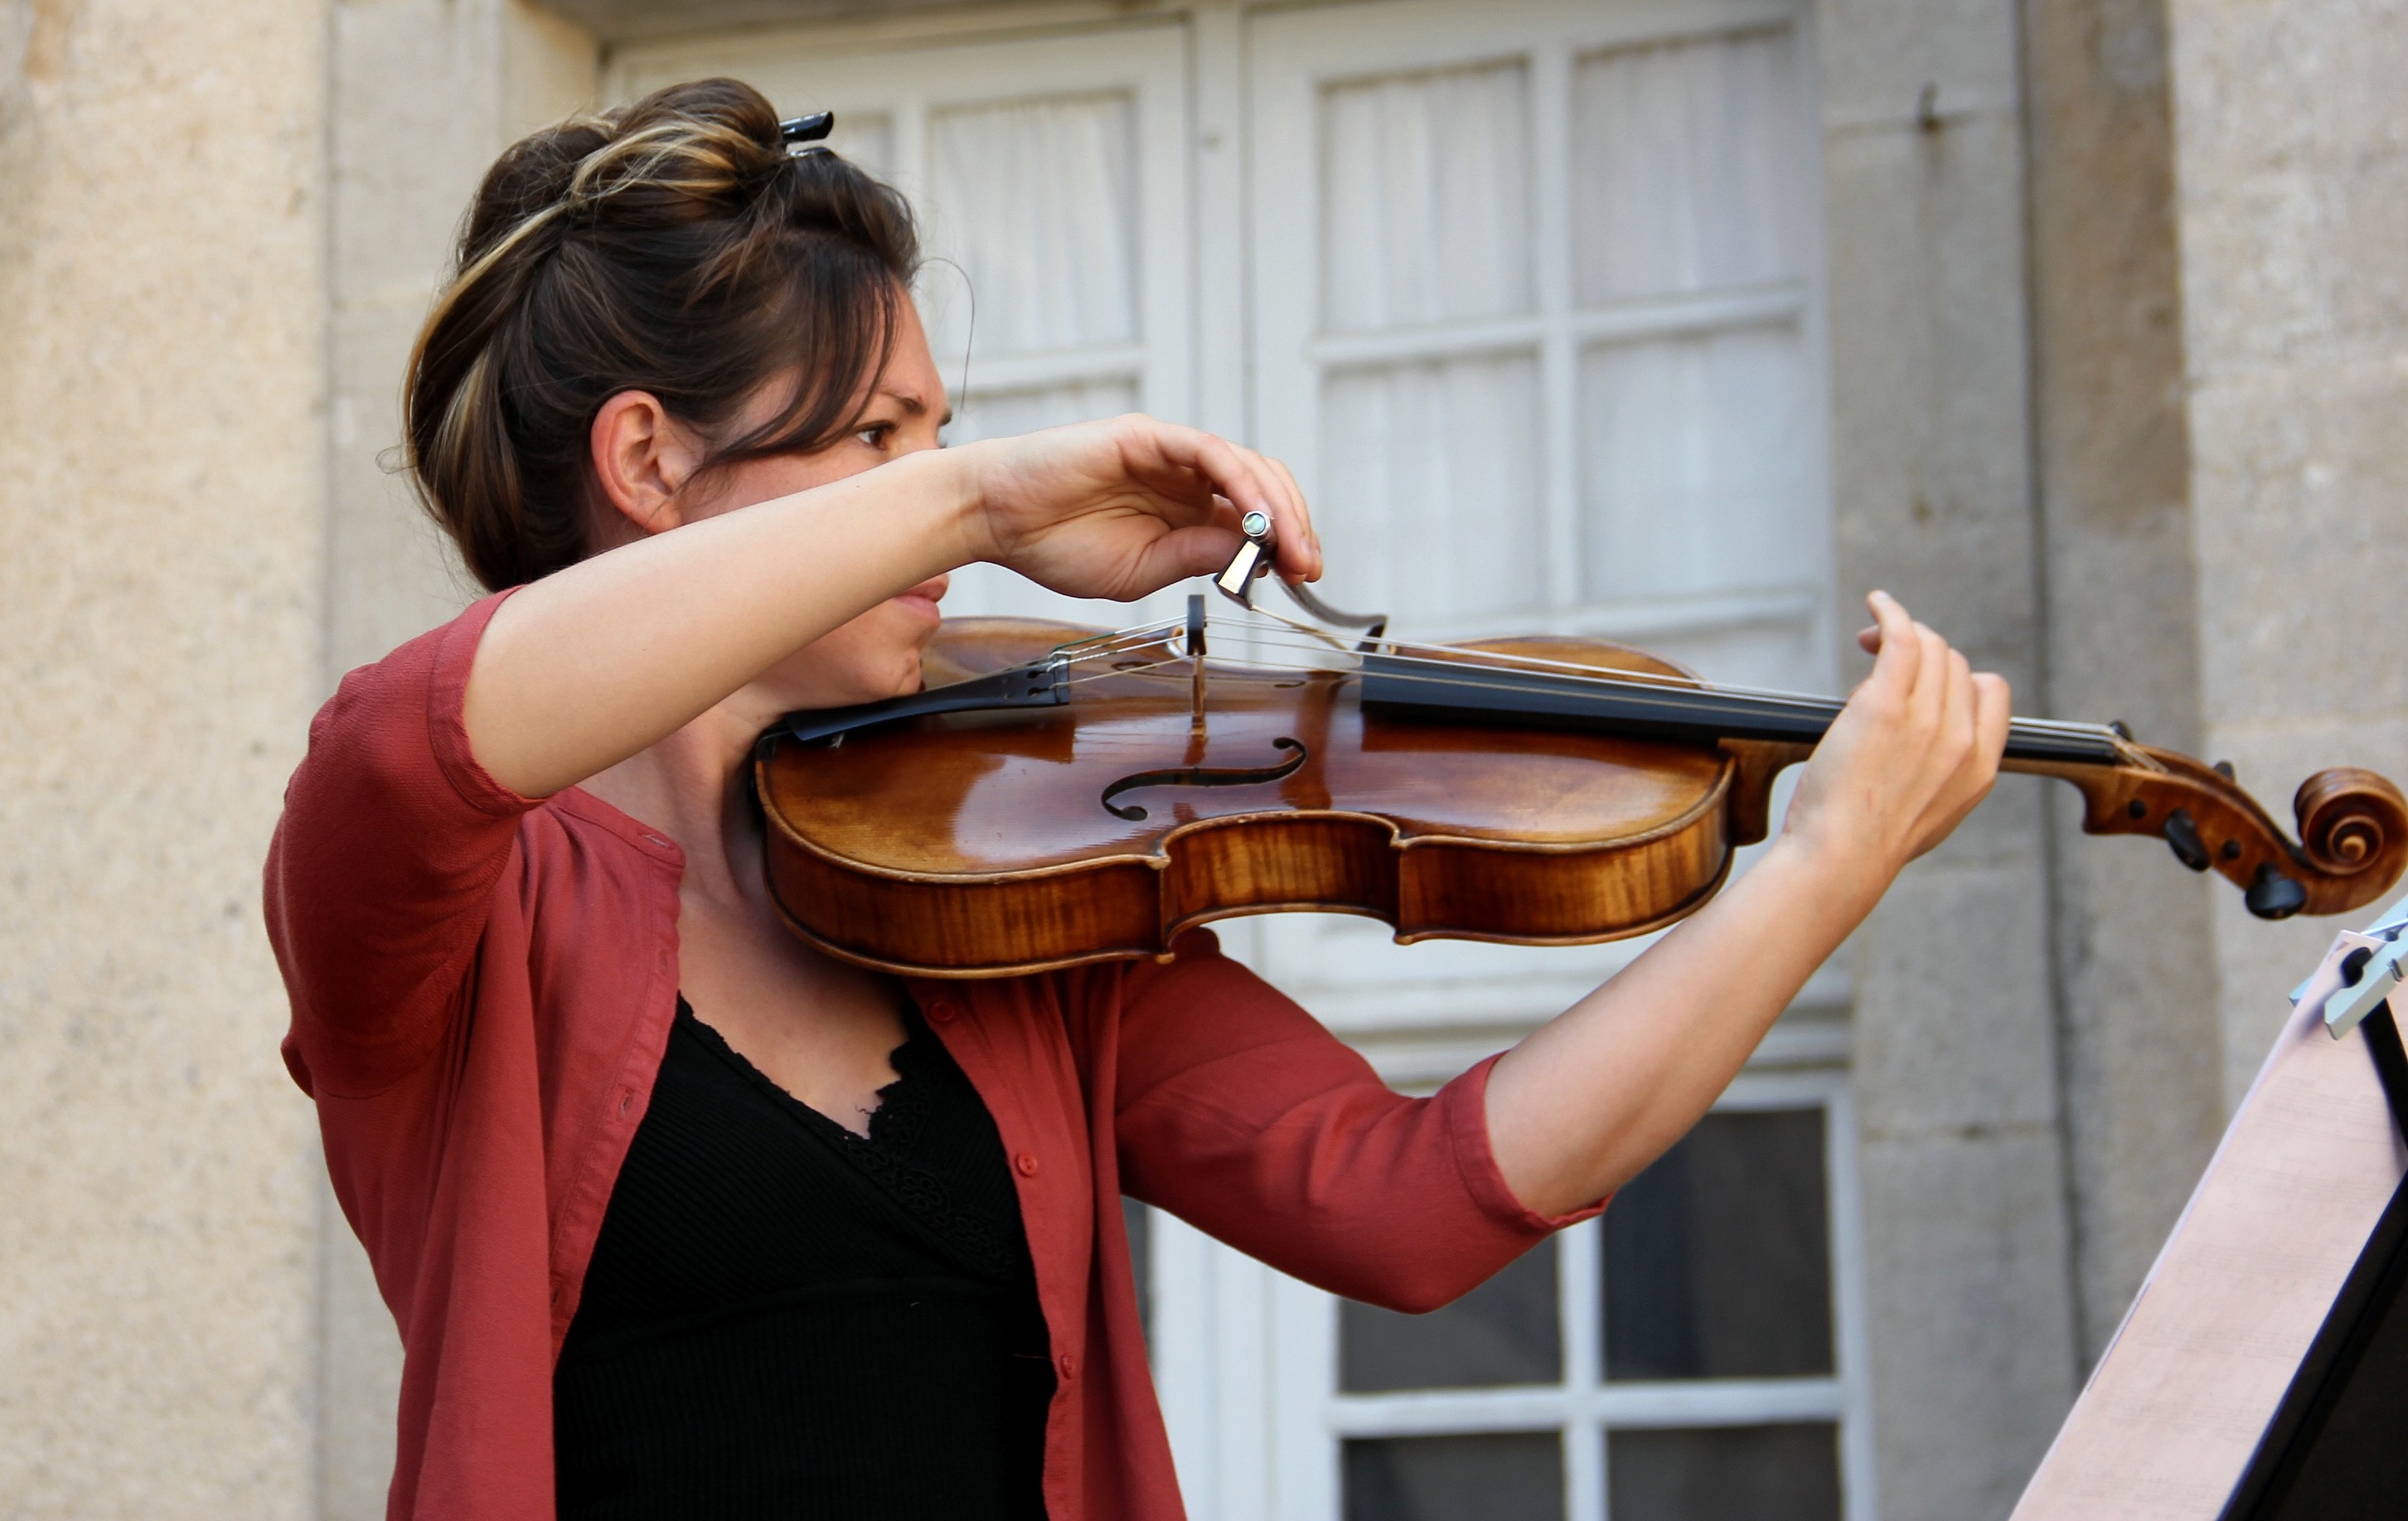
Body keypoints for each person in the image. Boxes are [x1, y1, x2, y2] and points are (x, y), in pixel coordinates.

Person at [265, 77, 2008, 1521]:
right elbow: (412, 742)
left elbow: (1403, 1198)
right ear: (647, 461)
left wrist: (1821, 866)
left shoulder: (986, 874)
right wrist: (980, 495)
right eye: (876, 438)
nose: (936, 502)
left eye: (938, 436)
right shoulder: (463, 910)